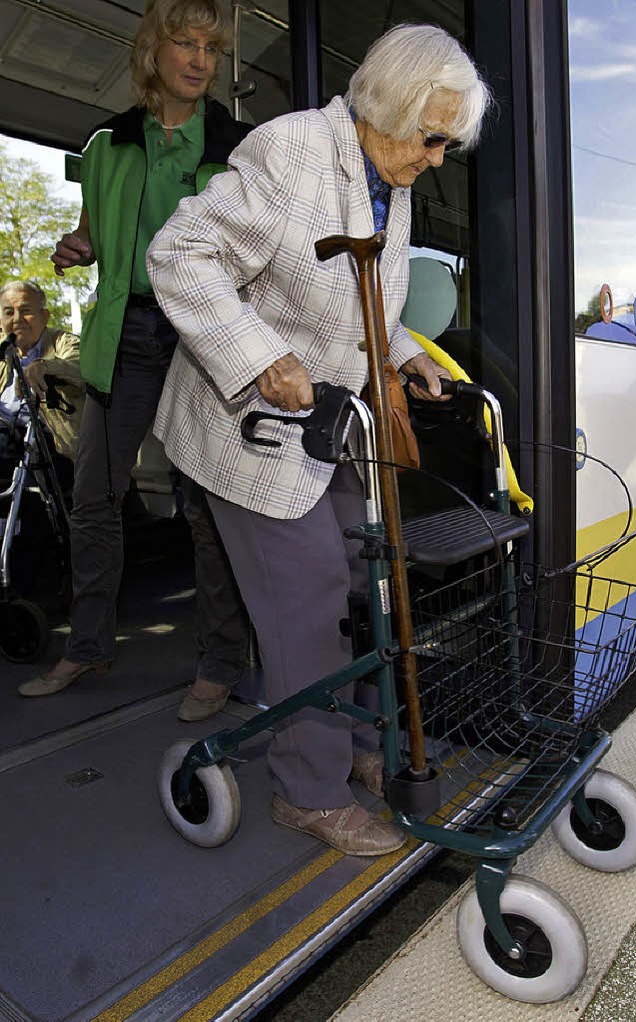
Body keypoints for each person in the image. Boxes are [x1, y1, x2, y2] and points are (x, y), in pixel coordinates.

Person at [147, 22, 491, 855]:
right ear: (385, 106)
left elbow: (355, 300)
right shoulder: (294, 150)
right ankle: (306, 789)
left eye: (450, 141)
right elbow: (178, 253)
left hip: (328, 426)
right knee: (301, 600)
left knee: (358, 583)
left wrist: (403, 352)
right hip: (251, 431)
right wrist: (261, 355)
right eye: (433, 136)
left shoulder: (391, 180)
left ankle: (360, 748)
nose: (439, 157)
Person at [18, 0, 251, 714]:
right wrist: (79, 247)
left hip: (201, 337)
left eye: (211, 49)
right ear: (154, 51)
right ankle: (86, 649)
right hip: (127, 337)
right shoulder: (107, 145)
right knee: (93, 498)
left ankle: (220, 663)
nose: (199, 60)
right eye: (185, 42)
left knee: (206, 507)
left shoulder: (236, 145)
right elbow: (95, 234)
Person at [1, 280, 83, 494]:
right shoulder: (3, 347)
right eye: (9, 312)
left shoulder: (63, 342)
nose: (17, 319)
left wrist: (45, 367)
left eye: (25, 311)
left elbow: (80, 365)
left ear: (44, 316)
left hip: (49, 438)